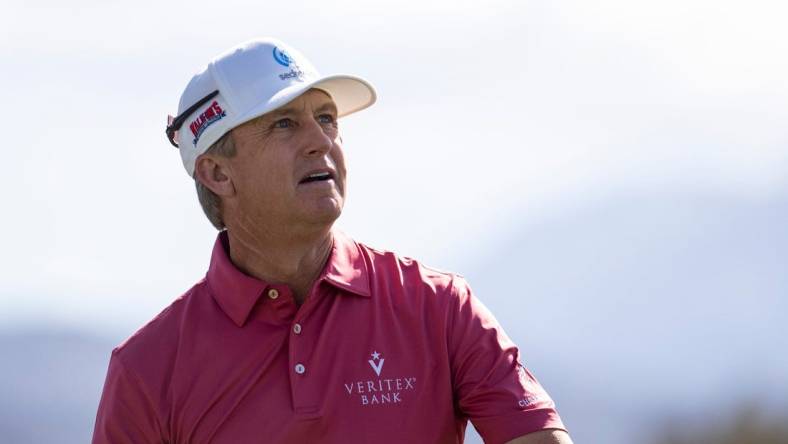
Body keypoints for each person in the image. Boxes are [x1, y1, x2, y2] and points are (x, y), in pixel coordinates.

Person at [92, 37, 573, 444]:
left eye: (326, 118)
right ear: (217, 172)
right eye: (284, 123)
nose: (321, 141)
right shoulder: (147, 369)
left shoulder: (438, 307)